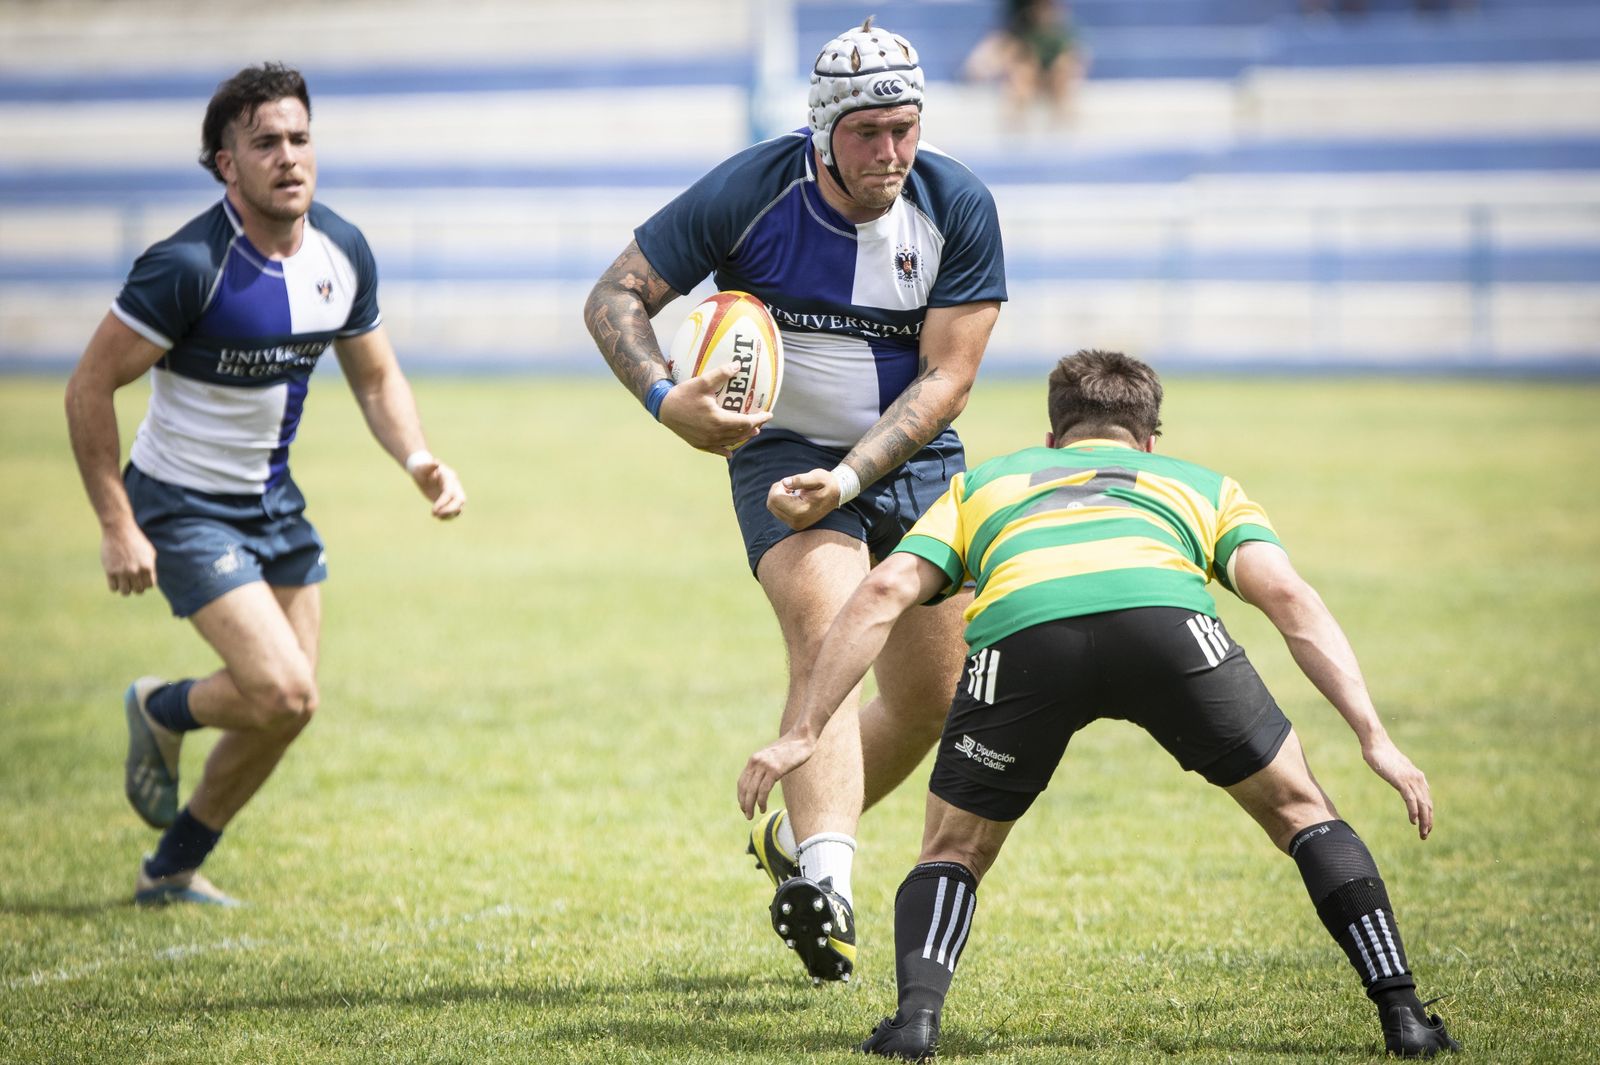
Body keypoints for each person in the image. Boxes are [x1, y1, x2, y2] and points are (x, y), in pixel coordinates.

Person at [739, 350, 1461, 1059]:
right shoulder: (1201, 485)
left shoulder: (986, 486)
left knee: (954, 848)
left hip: (1025, 634)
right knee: (1303, 812)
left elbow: (881, 592)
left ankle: (914, 1024)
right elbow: (1291, 601)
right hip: (1168, 628)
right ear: (1149, 440)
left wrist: (806, 728)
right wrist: (1374, 736)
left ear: (1053, 438)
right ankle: (1404, 1014)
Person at [583, 18, 1006, 982]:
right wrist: (665, 399)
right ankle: (827, 884)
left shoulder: (957, 203)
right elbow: (614, 297)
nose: (891, 151)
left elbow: (949, 377)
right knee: (829, 630)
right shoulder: (753, 188)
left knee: (931, 699)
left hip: (912, 453)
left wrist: (855, 476)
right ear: (822, 130)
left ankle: (797, 833)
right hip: (775, 447)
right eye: (867, 133)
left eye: (904, 128)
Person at [64, 63, 466, 907]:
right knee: (280, 687)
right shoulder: (185, 266)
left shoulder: (342, 251)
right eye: (265, 143)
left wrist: (418, 457)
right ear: (225, 164)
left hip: (274, 505)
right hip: (180, 505)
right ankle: (164, 707)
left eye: (300, 137)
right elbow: (88, 385)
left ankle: (169, 868)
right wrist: (116, 522)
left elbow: (375, 377)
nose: (289, 157)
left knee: (289, 708)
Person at [961, 0, 1088, 128]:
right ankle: (1014, 124)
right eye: (1040, 8)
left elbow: (1073, 59)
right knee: (1021, 76)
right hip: (1027, 75)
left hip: (1052, 79)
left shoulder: (1062, 35)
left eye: (1047, 8)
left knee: (1063, 70)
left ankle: (1063, 123)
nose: (1044, 13)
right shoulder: (1016, 34)